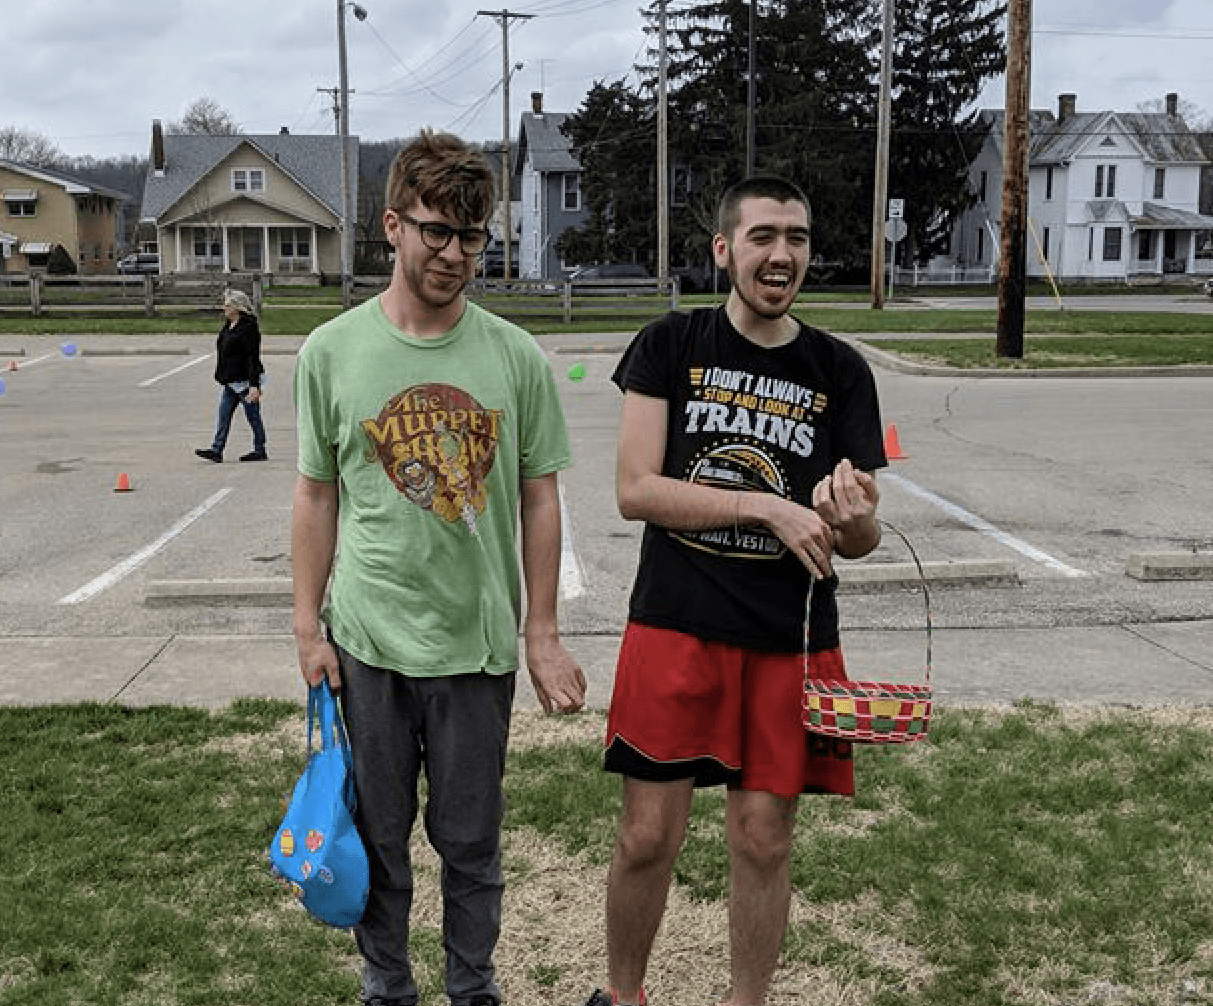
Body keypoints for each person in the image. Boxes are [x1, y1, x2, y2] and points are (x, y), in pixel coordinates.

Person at [291, 129, 587, 1006]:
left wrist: (542, 632)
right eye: (437, 231)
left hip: (476, 651)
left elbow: (541, 498)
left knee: (471, 845)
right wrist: (308, 628)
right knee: (378, 840)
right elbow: (316, 499)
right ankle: (387, 987)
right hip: (370, 649)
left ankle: (473, 988)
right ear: (392, 225)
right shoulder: (331, 354)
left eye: (473, 237)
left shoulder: (515, 358)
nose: (457, 254)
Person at [581, 176, 887, 1006]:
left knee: (763, 840)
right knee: (647, 836)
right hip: (676, 626)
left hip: (789, 636)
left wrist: (848, 516)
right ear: (724, 249)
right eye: (762, 237)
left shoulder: (841, 370)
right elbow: (636, 489)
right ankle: (623, 995)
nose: (780, 254)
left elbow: (862, 537)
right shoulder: (669, 346)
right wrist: (768, 507)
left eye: (796, 237)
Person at [195, 287, 267, 462]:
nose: (223, 308)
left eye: (227, 305)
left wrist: (254, 386)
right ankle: (216, 450)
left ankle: (259, 450)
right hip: (230, 381)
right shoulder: (229, 325)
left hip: (244, 382)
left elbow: (252, 357)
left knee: (253, 417)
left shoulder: (248, 328)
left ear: (237, 307)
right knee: (223, 416)